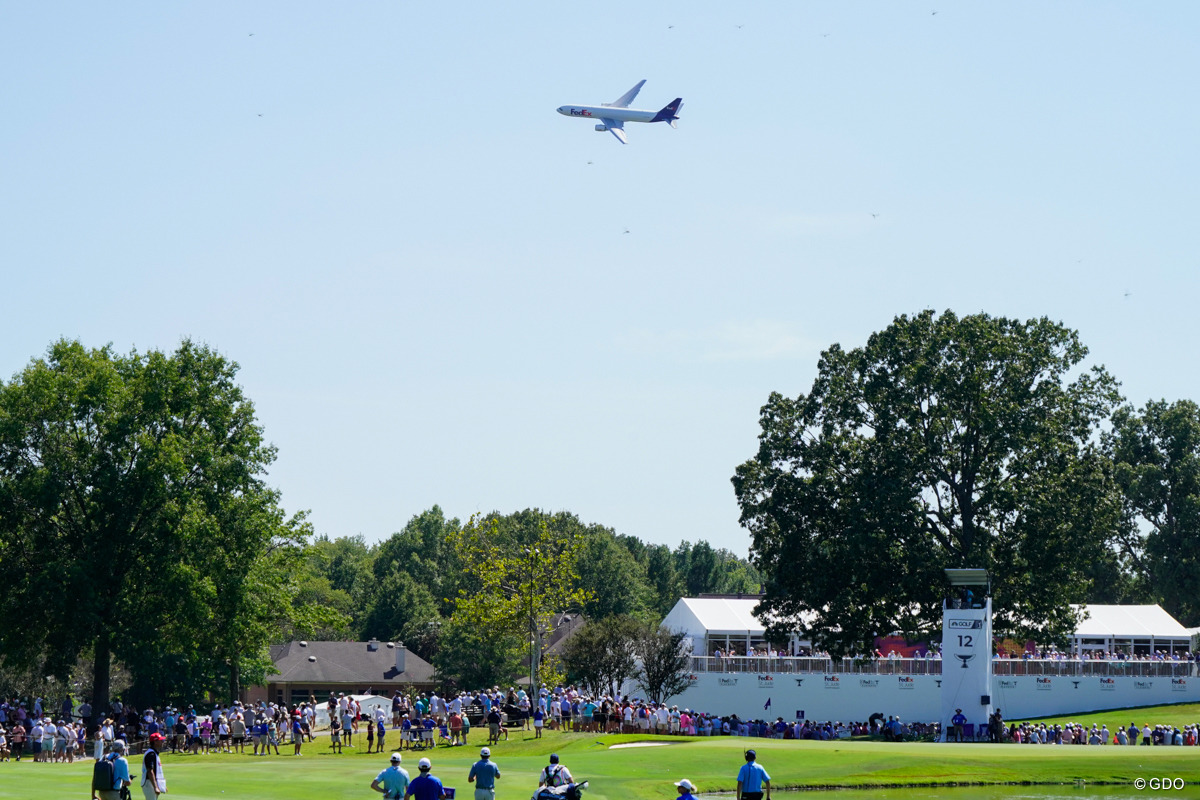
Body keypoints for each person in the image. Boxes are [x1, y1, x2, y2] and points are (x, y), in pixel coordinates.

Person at [141, 733, 167, 800]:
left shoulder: (154, 753)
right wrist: (155, 787)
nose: (162, 742)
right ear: (155, 742)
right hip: (149, 782)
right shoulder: (151, 754)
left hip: (152, 782)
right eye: (160, 740)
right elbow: (150, 771)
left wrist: (161, 785)